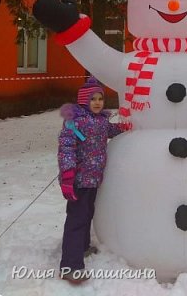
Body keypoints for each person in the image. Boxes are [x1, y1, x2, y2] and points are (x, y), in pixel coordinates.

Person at [58, 76, 124, 284]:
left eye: (100, 99)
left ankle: (83, 247)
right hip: (77, 180)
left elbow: (113, 130)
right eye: (93, 99)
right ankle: (70, 265)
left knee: (87, 215)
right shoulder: (74, 122)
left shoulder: (102, 121)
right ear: (83, 101)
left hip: (93, 180)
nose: (97, 102)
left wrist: (127, 127)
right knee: (77, 219)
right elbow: (66, 148)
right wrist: (68, 176)